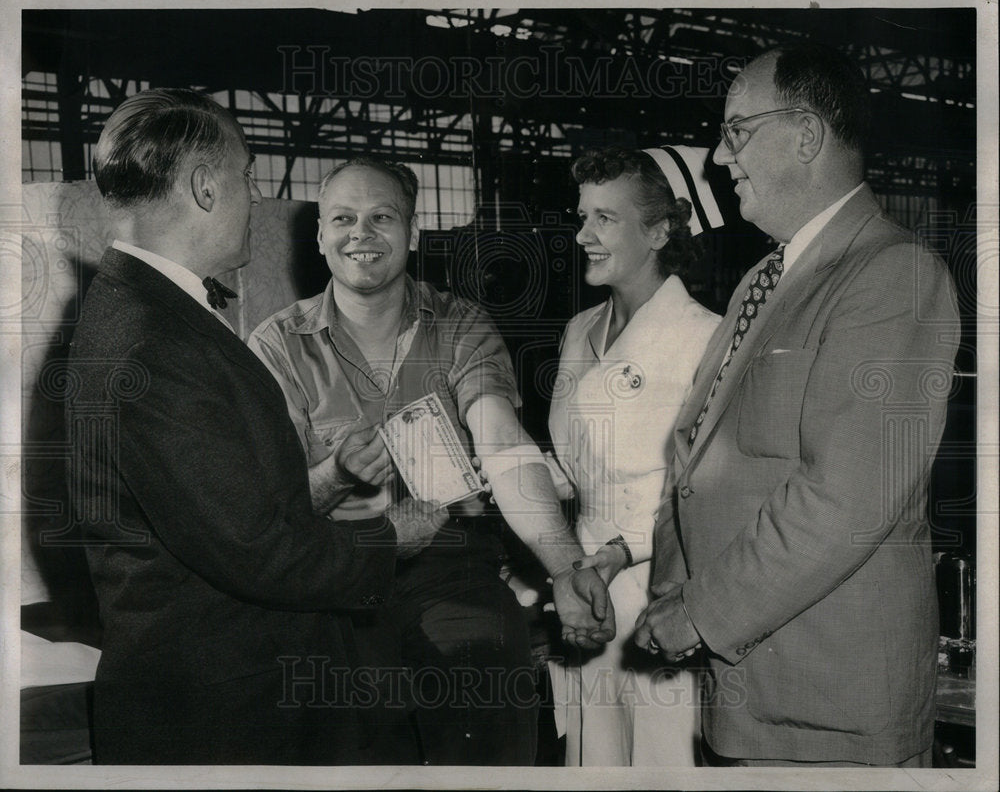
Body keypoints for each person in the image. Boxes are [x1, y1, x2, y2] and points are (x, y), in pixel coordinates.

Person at [68, 89, 449, 764]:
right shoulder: (152, 343)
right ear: (205, 188)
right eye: (246, 175)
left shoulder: (146, 309)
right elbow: (257, 552)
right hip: (224, 714)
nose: (254, 194)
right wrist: (394, 538)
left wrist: (328, 481)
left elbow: (212, 505)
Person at [633, 42, 960, 767]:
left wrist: (698, 612)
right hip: (750, 695)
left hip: (832, 708)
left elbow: (847, 499)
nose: (720, 157)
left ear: (807, 134)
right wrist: (670, 593)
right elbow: (693, 458)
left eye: (736, 131)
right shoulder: (759, 283)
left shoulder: (893, 275)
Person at [247, 156, 612, 765]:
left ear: (412, 233)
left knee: (485, 697)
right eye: (343, 218)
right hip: (333, 583)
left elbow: (502, 444)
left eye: (381, 217)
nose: (360, 234)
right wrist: (335, 476)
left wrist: (566, 565)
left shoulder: (461, 325)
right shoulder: (276, 344)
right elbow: (268, 513)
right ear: (319, 236)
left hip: (452, 574)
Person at [548, 146, 722, 766]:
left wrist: (619, 553)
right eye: (581, 216)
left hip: (660, 592)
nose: (582, 235)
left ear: (660, 229)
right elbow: (575, 467)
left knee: (660, 762)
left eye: (604, 219)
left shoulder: (708, 337)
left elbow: (707, 491)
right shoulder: (577, 330)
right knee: (594, 765)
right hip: (581, 594)